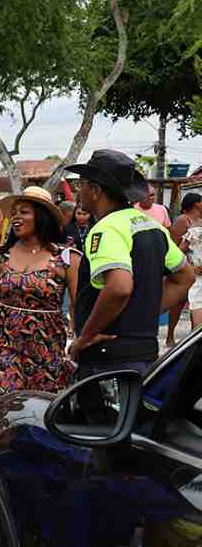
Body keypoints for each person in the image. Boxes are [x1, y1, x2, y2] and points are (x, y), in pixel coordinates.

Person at [67, 151, 192, 378]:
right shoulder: (152, 226)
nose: (78, 191)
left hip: (107, 359)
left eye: (81, 184)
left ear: (95, 190)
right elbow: (185, 276)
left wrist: (85, 336)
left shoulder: (107, 228)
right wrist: (144, 313)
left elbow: (119, 287)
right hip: (144, 352)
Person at [0, 186, 78, 397]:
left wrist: (77, 338)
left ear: (42, 217)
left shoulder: (66, 258)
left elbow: (77, 302)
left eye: (24, 212)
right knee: (4, 406)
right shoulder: (0, 256)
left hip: (47, 349)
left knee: (39, 408)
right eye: (14, 213)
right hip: (4, 346)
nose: (16, 217)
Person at [166, 193, 202, 345]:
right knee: (178, 302)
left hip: (197, 270)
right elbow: (174, 247)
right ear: (196, 204)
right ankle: (170, 336)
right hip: (184, 267)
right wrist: (188, 267)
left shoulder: (200, 220)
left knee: (195, 304)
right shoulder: (183, 220)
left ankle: (193, 340)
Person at [176, 194, 202, 330]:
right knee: (197, 307)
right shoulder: (185, 222)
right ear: (197, 204)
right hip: (197, 276)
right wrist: (190, 268)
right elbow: (178, 252)